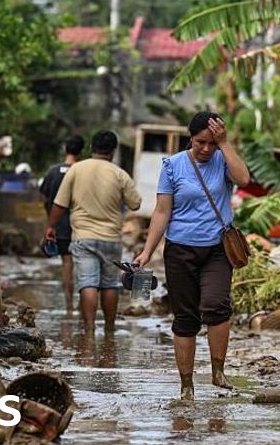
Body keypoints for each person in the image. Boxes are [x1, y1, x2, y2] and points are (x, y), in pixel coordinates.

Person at [134, 112, 251, 400]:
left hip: (217, 249)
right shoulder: (173, 166)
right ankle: (186, 384)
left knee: (216, 306)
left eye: (212, 143)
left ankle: (218, 371)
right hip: (180, 250)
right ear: (191, 137)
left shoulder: (223, 159)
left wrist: (225, 143)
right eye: (201, 142)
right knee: (185, 318)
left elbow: (244, 179)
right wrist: (147, 252)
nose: (206, 149)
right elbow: (162, 211)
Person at [46, 130, 141, 332]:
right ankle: (109, 328)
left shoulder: (76, 170)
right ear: (113, 151)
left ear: (91, 148)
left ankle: (89, 328)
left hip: (83, 237)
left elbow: (59, 204)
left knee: (87, 282)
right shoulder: (119, 173)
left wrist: (51, 227)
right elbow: (135, 204)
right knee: (109, 284)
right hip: (111, 238)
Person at [39, 135, 85, 311]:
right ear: (81, 151)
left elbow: (44, 196)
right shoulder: (82, 171)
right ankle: (84, 302)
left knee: (67, 263)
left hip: (60, 226)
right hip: (82, 225)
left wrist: (50, 220)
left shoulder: (53, 171)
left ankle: (69, 305)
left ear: (66, 149)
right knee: (83, 263)